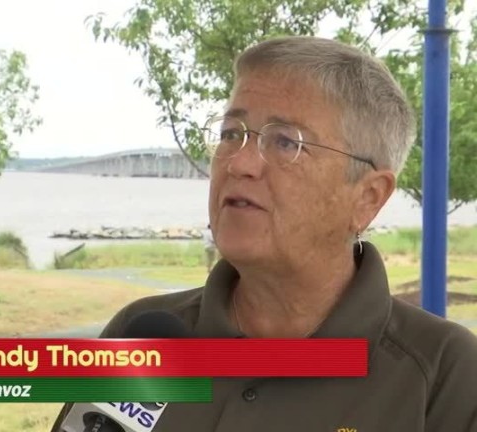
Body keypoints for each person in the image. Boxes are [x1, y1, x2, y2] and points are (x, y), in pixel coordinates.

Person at [51, 36, 477, 431]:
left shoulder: (444, 375)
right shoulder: (143, 333)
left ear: (367, 197)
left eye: (286, 142)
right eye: (230, 134)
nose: (238, 163)